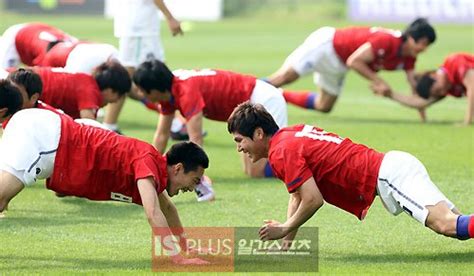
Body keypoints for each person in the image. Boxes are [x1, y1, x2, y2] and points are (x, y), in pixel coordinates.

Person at [227, 102, 473, 244]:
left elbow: (313, 199)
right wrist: (287, 240)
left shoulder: (282, 151)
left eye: (240, 140)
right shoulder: (289, 137)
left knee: (447, 225)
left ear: (258, 133)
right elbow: (298, 195)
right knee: (458, 227)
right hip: (394, 168)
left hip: (390, 175)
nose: (239, 148)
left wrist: (284, 228)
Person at [0, 103, 210, 264]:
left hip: (52, 139)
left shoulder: (154, 167)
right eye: (194, 181)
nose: (191, 189)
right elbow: (153, 213)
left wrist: (187, 248)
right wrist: (177, 258)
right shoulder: (147, 162)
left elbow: (168, 209)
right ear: (178, 168)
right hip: (47, 139)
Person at [133, 59, 288, 180]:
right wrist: (150, 169)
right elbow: (161, 135)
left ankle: (298, 165)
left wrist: (195, 176)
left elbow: (196, 139)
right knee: (250, 171)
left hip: (264, 101)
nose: (140, 95)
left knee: (257, 171)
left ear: (154, 89)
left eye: (142, 90)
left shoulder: (186, 91)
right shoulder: (168, 92)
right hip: (249, 109)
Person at [267, 18, 436, 119]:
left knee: (324, 105)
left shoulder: (409, 57)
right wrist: (379, 81)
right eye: (423, 43)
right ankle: (249, 89)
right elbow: (354, 61)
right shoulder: (387, 40)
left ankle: (281, 95)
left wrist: (419, 106)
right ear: (412, 38)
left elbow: (412, 81)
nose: (424, 49)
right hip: (327, 46)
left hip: (339, 63)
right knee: (286, 77)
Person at [102, 0, 183, 133]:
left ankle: (175, 122)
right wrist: (170, 18)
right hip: (139, 28)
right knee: (132, 77)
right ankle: (108, 126)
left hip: (139, 27)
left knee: (155, 76)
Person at [373, 53, 474, 125]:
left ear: (433, 75)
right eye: (438, 93)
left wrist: (467, 121)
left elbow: (472, 87)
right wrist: (390, 94)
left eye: (438, 90)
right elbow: (419, 102)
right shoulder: (446, 86)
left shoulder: (453, 62)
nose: (443, 92)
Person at [7, 61, 131, 119]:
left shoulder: (85, 82)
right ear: (110, 91)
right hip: (13, 83)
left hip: (14, 80)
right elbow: (89, 125)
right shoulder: (89, 90)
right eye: (117, 97)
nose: (114, 103)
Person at [0, 22, 77, 69]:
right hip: (15, 37)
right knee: (5, 77)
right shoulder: (48, 58)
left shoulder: (76, 44)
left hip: (37, 30)